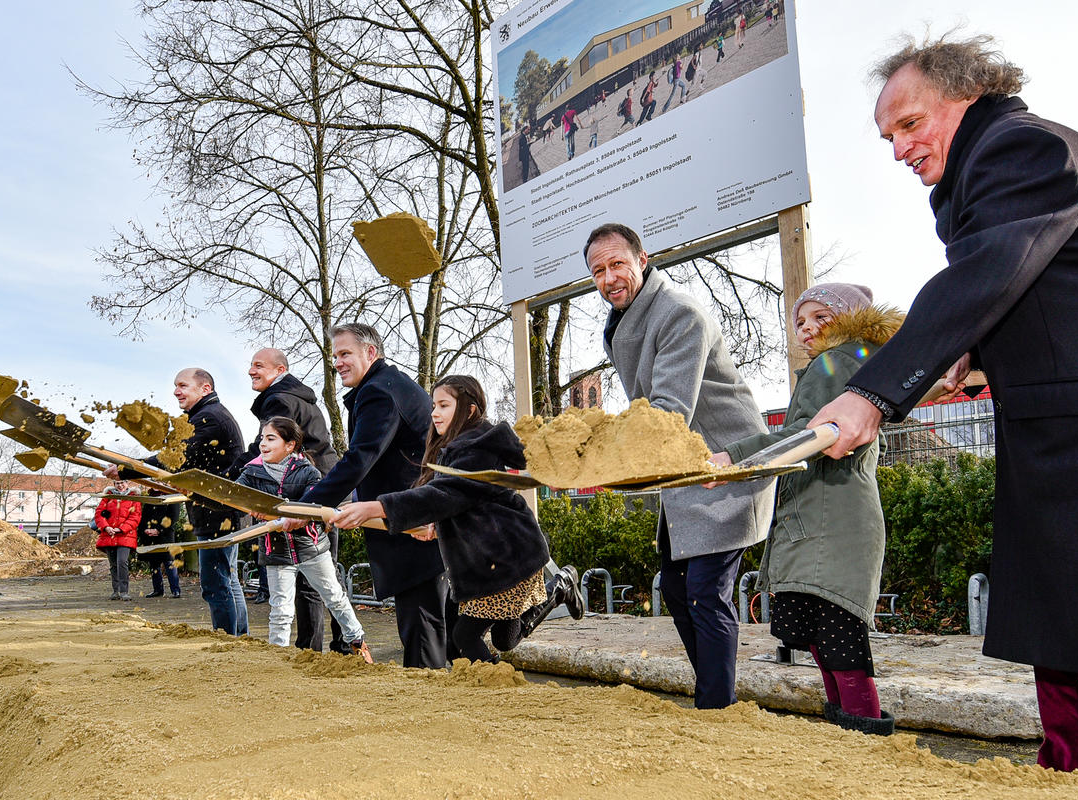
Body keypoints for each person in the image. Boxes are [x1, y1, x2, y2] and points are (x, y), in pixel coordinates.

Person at [808, 34, 1078, 795]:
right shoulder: (991, 172)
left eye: (910, 124)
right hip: (1064, 441)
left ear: (966, 93)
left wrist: (874, 391)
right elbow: (1042, 294)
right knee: (1070, 671)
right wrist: (974, 358)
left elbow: (989, 270)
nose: (898, 149)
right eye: (888, 137)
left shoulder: (1023, 148)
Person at [584, 222, 774, 709]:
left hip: (724, 466)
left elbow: (668, 411)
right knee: (674, 586)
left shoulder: (679, 314)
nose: (608, 278)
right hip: (684, 474)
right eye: (598, 271)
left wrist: (597, 451)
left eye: (617, 264)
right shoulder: (627, 319)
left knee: (706, 592)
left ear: (642, 260)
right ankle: (714, 688)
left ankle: (716, 706)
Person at [712, 284, 901, 735]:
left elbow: (808, 434)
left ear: (851, 319)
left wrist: (734, 456)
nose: (808, 328)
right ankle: (849, 729)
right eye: (800, 321)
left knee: (838, 638)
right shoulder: (855, 361)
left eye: (822, 317)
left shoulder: (841, 359)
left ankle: (862, 732)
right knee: (825, 637)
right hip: (824, 516)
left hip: (830, 521)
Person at [331, 376, 584, 664]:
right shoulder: (454, 448)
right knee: (504, 639)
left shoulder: (473, 448)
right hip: (491, 560)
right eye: (434, 406)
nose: (434, 413)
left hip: (508, 557)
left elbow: (443, 496)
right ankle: (560, 586)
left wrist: (378, 507)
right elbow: (464, 504)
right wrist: (436, 528)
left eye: (443, 405)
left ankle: (494, 687)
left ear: (470, 409)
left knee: (464, 637)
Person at [285, 323, 449, 668]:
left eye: (345, 353)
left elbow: (360, 457)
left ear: (370, 352)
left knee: (422, 627)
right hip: (415, 514)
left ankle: (425, 703)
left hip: (413, 523)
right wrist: (346, 500)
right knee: (437, 624)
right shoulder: (386, 386)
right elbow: (385, 459)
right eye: (335, 357)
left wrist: (310, 507)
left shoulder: (379, 392)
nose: (338, 363)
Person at [109, 368, 249, 635]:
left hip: (216, 512)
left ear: (205, 388)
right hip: (220, 511)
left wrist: (127, 469)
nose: (176, 391)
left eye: (183, 385)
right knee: (228, 581)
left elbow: (176, 457)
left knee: (216, 584)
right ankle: (239, 638)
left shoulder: (209, 417)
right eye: (175, 385)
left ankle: (229, 641)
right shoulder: (206, 416)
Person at [230, 347, 345, 652]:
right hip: (328, 485)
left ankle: (309, 651)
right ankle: (344, 645)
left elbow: (264, 448)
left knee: (311, 579)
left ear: (279, 370)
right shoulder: (298, 398)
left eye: (259, 366)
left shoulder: (279, 400)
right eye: (250, 365)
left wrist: (230, 476)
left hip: (308, 491)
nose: (251, 371)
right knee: (325, 575)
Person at [237, 417, 373, 663]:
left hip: (311, 549)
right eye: (261, 439)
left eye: (271, 439)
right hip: (276, 551)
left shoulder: (307, 471)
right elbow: (235, 496)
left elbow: (315, 502)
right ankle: (277, 658)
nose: (263, 445)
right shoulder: (252, 472)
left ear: (290, 445)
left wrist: (298, 515)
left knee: (335, 597)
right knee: (280, 609)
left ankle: (357, 641)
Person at [94, 481, 141, 601]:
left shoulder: (134, 498)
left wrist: (121, 529)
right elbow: (99, 514)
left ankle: (124, 591)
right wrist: (106, 527)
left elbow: (135, 517)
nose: (120, 485)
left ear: (127, 483)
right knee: (113, 564)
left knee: (122, 562)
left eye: (122, 483)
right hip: (109, 534)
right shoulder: (108, 497)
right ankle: (116, 591)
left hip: (125, 535)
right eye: (117, 483)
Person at [137, 491, 181, 599]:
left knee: (169, 562)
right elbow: (144, 516)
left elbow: (173, 517)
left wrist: (159, 530)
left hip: (165, 535)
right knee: (153, 564)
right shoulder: (150, 498)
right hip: (149, 536)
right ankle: (158, 590)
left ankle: (175, 590)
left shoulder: (172, 497)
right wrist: (144, 530)